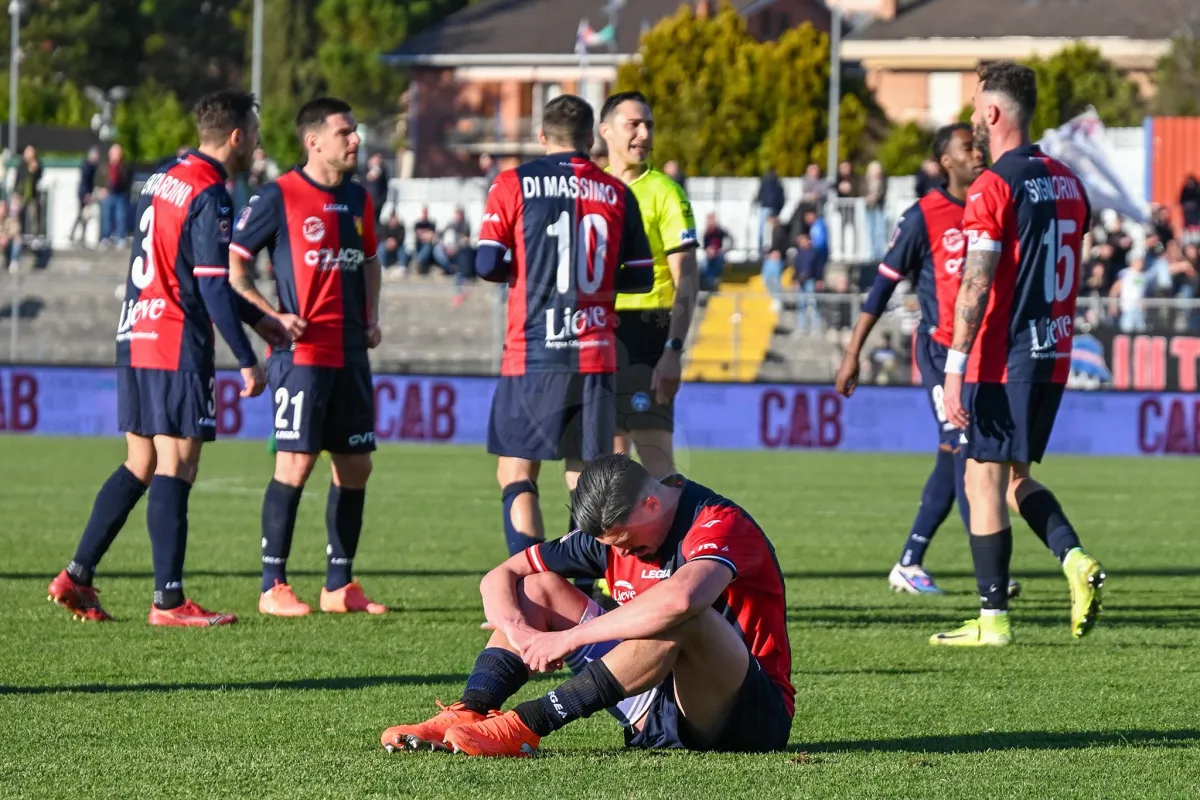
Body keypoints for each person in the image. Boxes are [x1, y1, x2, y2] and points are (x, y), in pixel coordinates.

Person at [46, 89, 286, 625]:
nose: (258, 144)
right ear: (237, 136)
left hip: (135, 332)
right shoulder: (211, 191)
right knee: (177, 463)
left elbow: (181, 267)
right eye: (256, 133)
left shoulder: (160, 178)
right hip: (176, 341)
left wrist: (261, 319)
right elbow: (211, 285)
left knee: (141, 462)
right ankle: (169, 601)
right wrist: (248, 355)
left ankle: (77, 575)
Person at [380, 454, 794, 757]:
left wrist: (569, 638)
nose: (622, 552)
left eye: (627, 542)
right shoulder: (611, 532)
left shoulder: (717, 522)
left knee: (681, 616)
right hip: (652, 705)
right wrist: (520, 630)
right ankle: (470, 712)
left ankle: (527, 725)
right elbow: (499, 577)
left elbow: (682, 599)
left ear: (651, 503)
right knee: (538, 586)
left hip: (745, 717)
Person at [939, 61, 1105, 646]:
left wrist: (955, 368)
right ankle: (1075, 560)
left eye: (975, 106)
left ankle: (993, 620)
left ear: (993, 113)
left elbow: (977, 284)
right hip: (1053, 352)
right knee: (1014, 479)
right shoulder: (1068, 180)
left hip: (1002, 358)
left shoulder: (994, 185)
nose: (970, 120)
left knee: (981, 480)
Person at [472, 93, 654, 566]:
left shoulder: (513, 182)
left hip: (533, 350)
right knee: (582, 476)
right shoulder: (617, 193)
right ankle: (576, 587)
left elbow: (487, 262)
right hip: (593, 351)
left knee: (516, 470)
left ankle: (535, 582)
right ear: (591, 139)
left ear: (540, 136)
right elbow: (640, 277)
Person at [229, 96, 386, 618]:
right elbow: (235, 267)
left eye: (355, 130)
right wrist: (269, 315)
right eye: (345, 132)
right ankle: (273, 584)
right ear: (313, 140)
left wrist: (371, 315)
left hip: (351, 354)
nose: (355, 140)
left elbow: (369, 261)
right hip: (302, 356)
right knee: (295, 464)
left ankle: (339, 585)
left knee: (356, 466)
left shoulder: (361, 199)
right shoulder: (278, 196)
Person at [836, 124, 1008, 595]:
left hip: (980, 354)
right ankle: (985, 573)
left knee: (960, 451)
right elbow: (882, 287)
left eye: (979, 145)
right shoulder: (924, 216)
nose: (978, 153)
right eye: (967, 148)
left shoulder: (992, 203)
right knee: (964, 446)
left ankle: (912, 561)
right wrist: (853, 352)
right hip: (939, 352)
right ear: (946, 161)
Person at [599, 91, 700, 481]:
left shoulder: (665, 192)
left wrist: (673, 348)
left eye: (649, 126)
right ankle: (611, 544)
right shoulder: (592, 188)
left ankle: (681, 542)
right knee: (608, 464)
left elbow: (687, 278)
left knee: (656, 459)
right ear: (606, 131)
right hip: (599, 329)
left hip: (648, 330)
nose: (644, 134)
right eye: (634, 125)